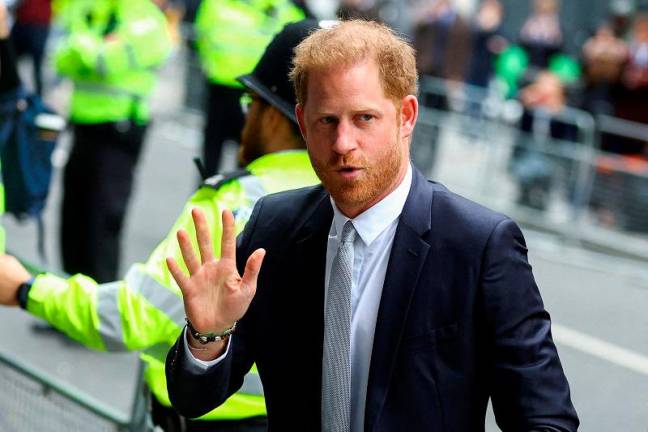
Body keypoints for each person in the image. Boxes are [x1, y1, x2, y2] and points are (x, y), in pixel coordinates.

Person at [165, 20, 579, 431]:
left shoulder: (478, 244)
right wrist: (208, 336)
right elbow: (193, 398)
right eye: (327, 121)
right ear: (303, 122)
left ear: (406, 116)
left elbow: (546, 419)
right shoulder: (274, 228)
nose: (344, 143)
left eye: (364, 118)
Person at [0, 19, 322, 432]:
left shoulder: (235, 202)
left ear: (276, 118)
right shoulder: (354, 205)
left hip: (210, 419)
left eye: (249, 104)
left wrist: (28, 289)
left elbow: (135, 315)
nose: (245, 119)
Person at [55, 0, 171, 283]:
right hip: (83, 125)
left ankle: (99, 303)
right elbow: (59, 59)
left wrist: (82, 43)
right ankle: (66, 302)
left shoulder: (147, 18)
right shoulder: (86, 7)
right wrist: (96, 47)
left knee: (103, 219)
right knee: (74, 214)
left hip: (120, 129)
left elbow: (105, 62)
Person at [194, 0, 305, 177]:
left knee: (221, 152)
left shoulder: (217, 4)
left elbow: (201, 36)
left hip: (241, 87)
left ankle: (214, 190)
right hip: (250, 89)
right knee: (244, 156)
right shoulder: (284, 10)